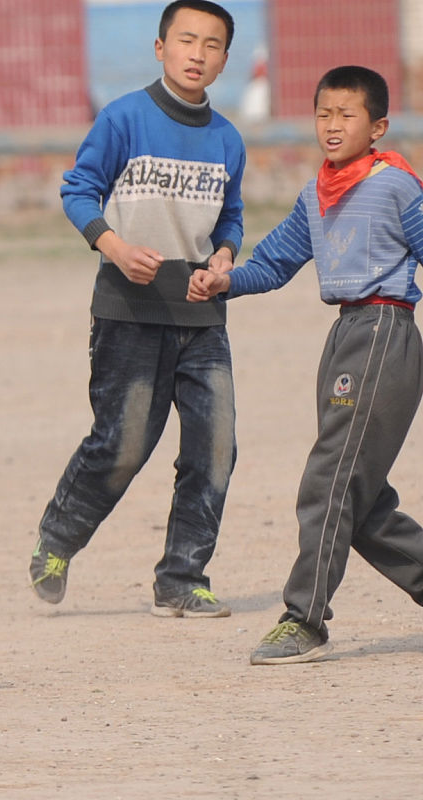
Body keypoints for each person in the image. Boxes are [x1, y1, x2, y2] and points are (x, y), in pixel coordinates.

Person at [188, 66, 423, 664]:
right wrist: (224, 281)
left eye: (347, 115)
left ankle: (305, 618)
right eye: (324, 114)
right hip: (345, 332)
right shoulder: (320, 190)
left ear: (378, 126)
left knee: (330, 481)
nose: (333, 125)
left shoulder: (395, 184)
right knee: (361, 500)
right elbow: (276, 259)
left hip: (382, 332)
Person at [30, 0, 244, 617]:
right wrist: (116, 248)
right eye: (185, 40)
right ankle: (57, 538)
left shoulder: (228, 138)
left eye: (211, 44)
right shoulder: (124, 117)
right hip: (127, 309)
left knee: (216, 445)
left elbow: (230, 218)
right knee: (122, 445)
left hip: (201, 315)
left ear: (225, 59)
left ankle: (182, 578)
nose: (197, 53)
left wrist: (225, 256)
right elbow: (78, 189)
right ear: (160, 48)